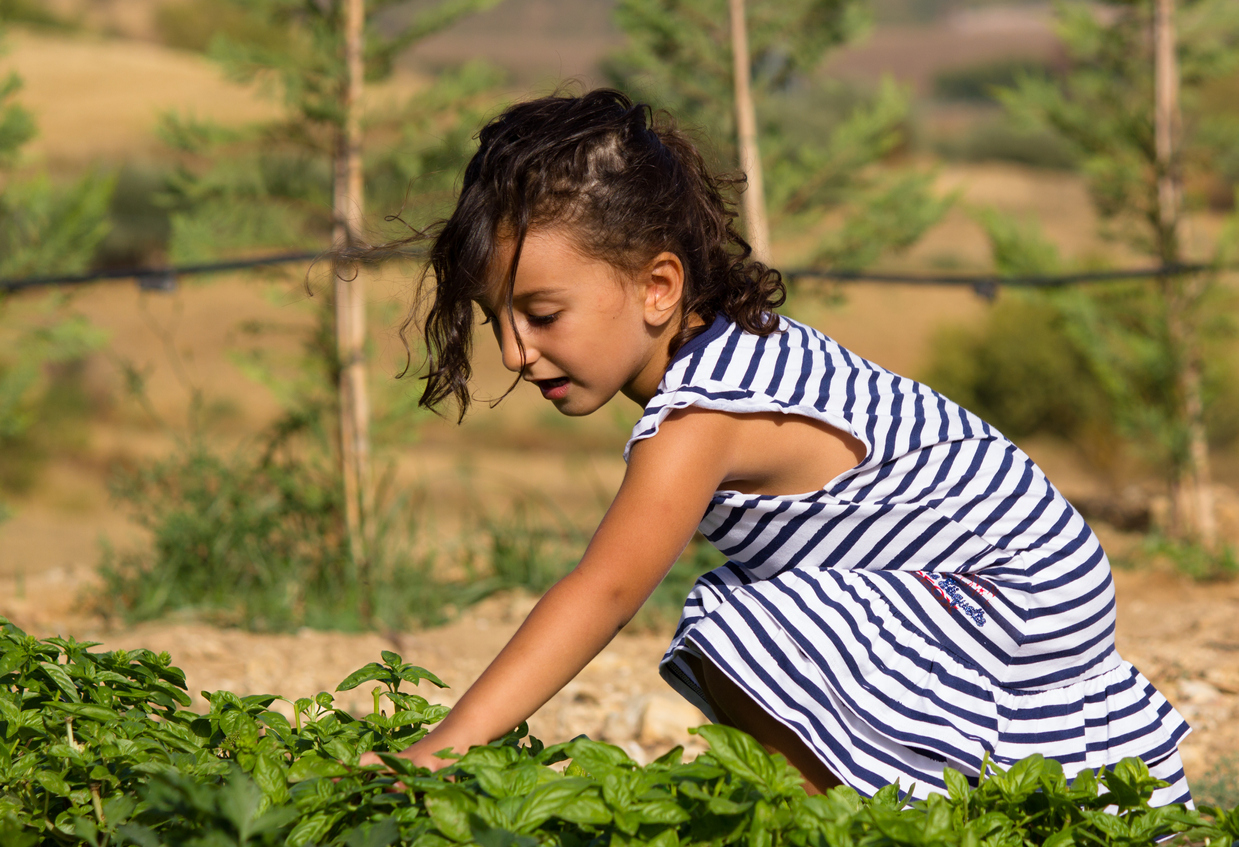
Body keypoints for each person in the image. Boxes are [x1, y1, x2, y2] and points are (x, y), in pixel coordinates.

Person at [360, 88, 1192, 804]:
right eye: (493, 318)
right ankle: (857, 806)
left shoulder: (702, 414)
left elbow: (604, 591)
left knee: (737, 624)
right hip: (1029, 574)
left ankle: (844, 817)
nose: (513, 351)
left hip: (1007, 587)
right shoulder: (724, 346)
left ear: (658, 288)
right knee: (754, 617)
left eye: (541, 315)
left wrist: (441, 748)